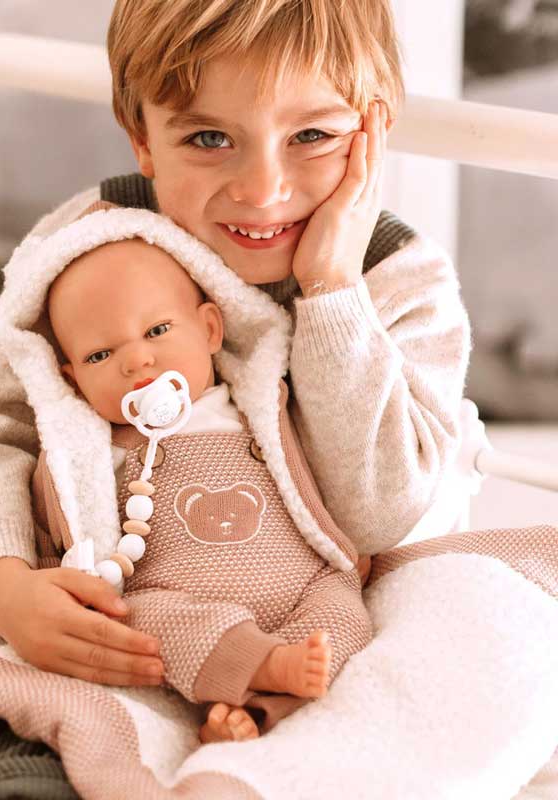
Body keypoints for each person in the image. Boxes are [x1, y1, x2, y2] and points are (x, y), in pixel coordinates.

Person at [0, 0, 469, 745]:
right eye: (210, 138)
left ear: (376, 128)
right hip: (124, 609)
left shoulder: (402, 284)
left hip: (312, 613)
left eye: (312, 136)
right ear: (143, 138)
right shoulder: (92, 246)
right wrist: (3, 585)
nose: (263, 190)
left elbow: (376, 515)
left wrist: (332, 289)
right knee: (7, 720)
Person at [27, 206, 373, 741]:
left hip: (301, 584)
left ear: (210, 329)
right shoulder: (91, 450)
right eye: (99, 355)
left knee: (345, 617)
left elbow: (318, 473)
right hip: (176, 599)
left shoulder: (258, 406)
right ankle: (262, 670)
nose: (136, 361)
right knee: (139, 625)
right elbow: (55, 533)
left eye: (157, 330)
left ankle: (260, 709)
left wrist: (343, 542)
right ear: (72, 381)